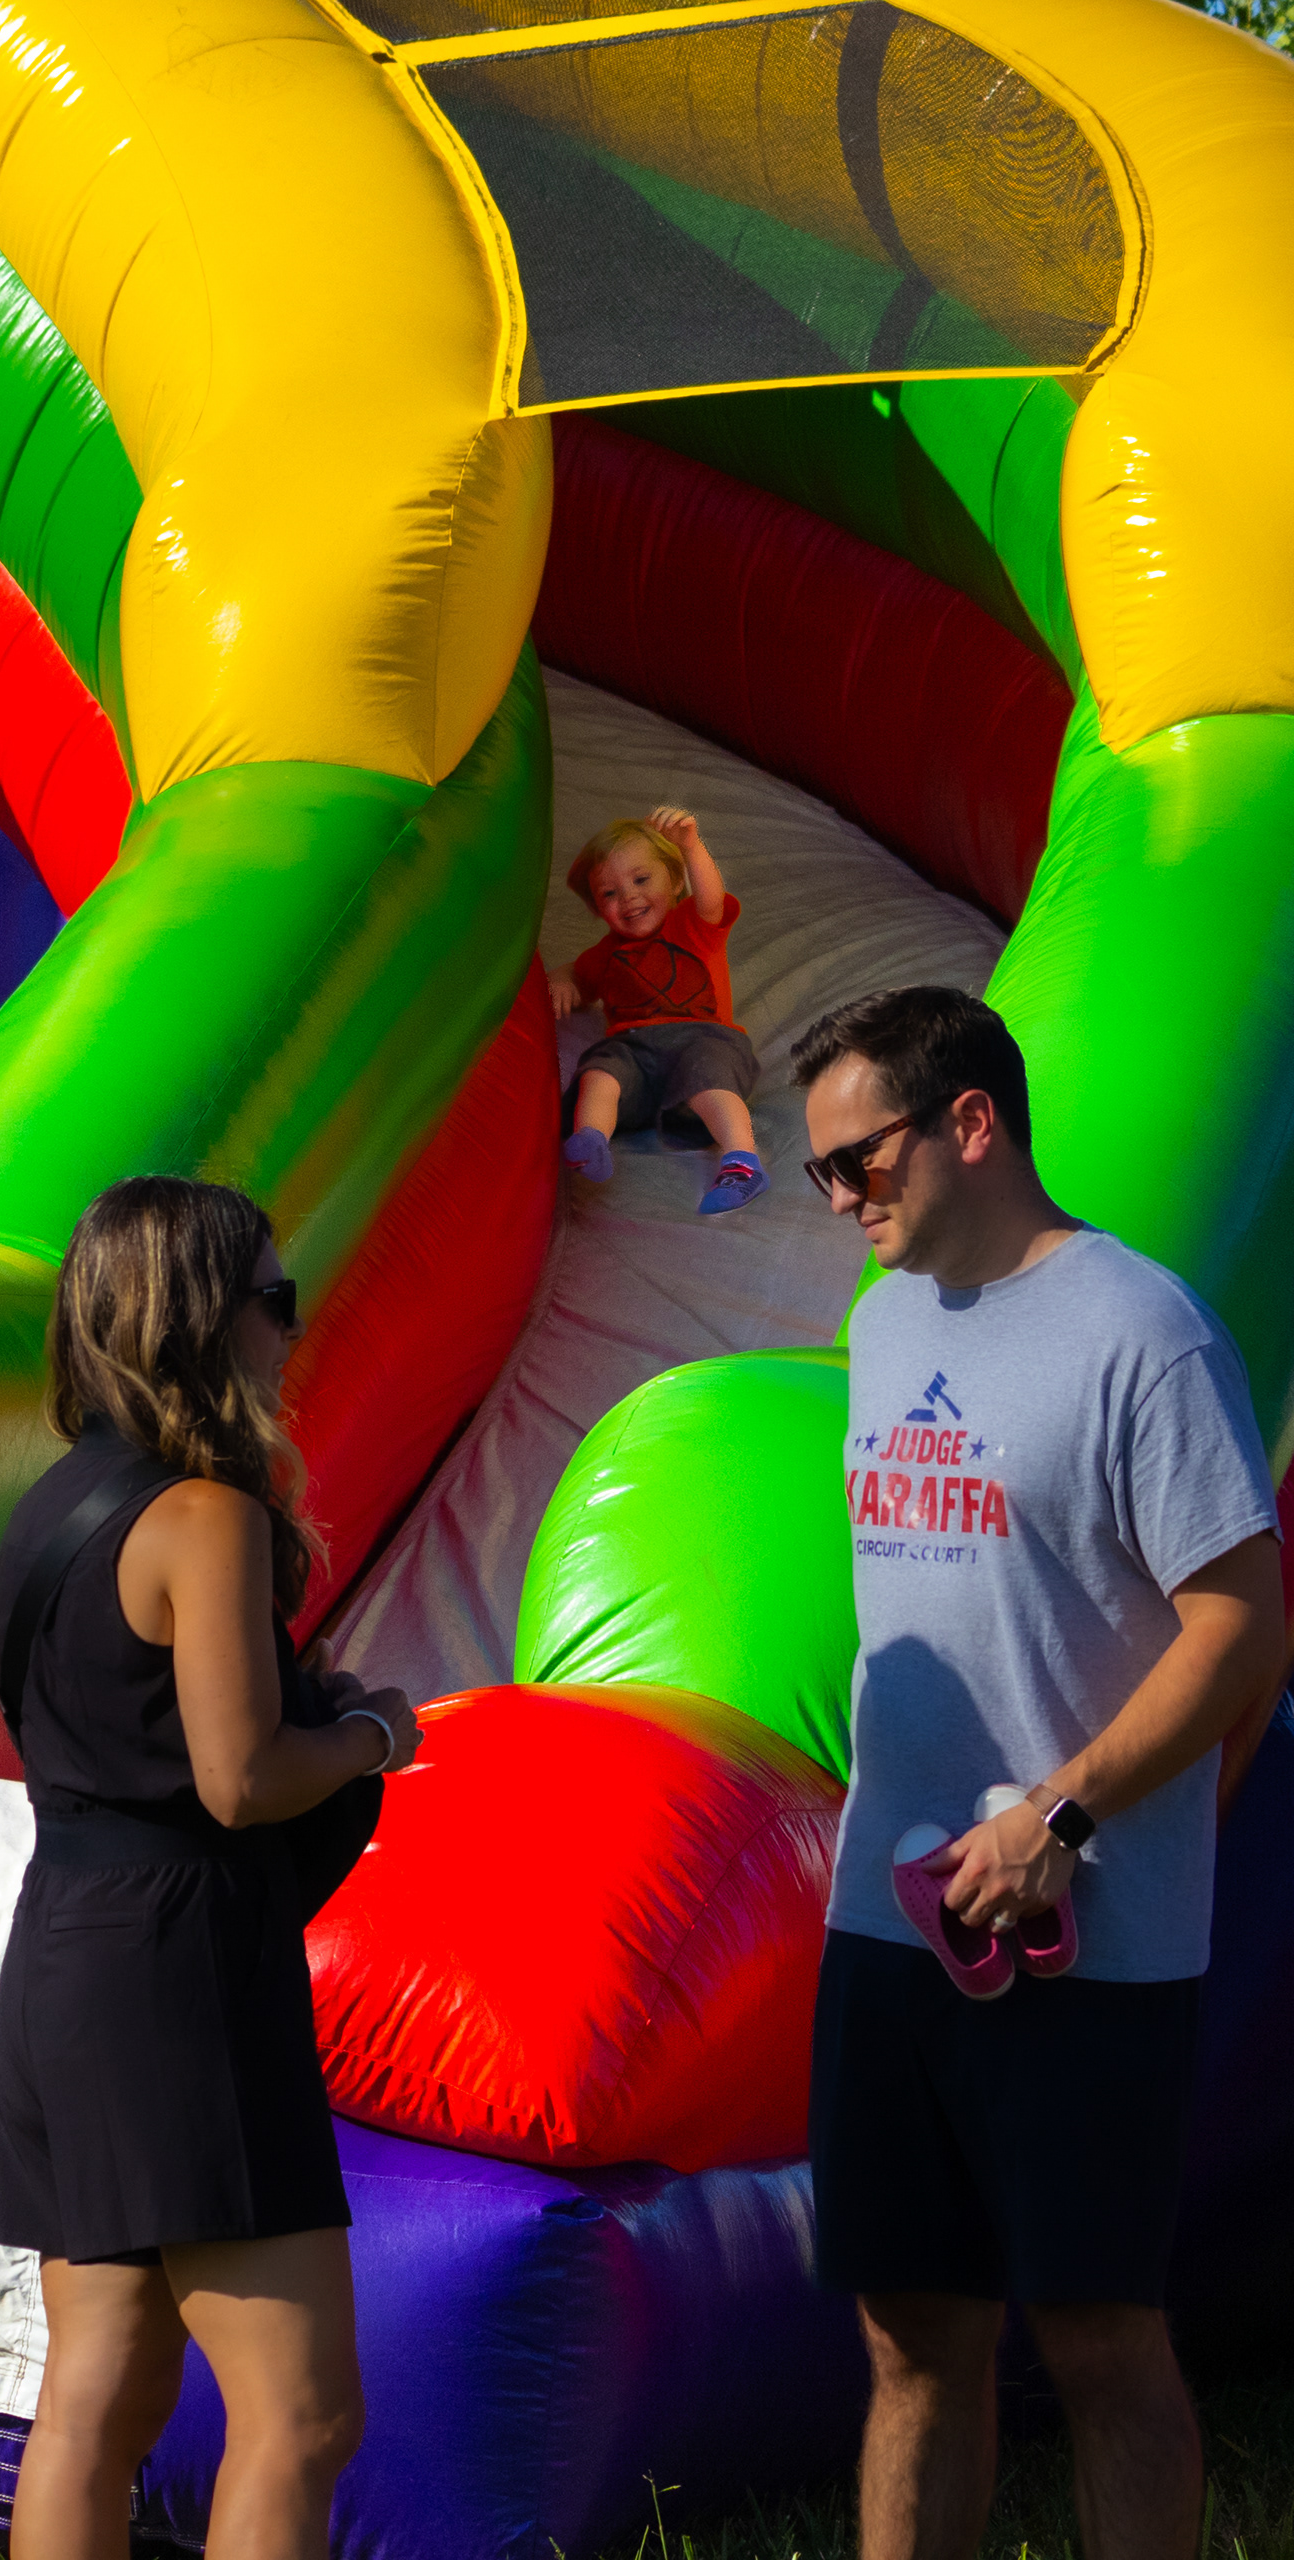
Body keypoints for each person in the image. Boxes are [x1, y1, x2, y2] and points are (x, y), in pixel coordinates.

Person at [794, 984, 1282, 2560]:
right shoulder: (878, 1327)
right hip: (895, 1921)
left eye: (859, 1162)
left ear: (970, 1124)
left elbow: (1245, 1623)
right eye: (820, 1175)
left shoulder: (1143, 1330)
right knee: (910, 2341)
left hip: (1090, 1942)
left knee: (1099, 2345)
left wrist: (1069, 1815)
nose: (843, 1200)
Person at [0, 1176, 422, 2560]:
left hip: (66, 1949)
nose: (291, 1333)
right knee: (301, 2415)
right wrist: (367, 1736)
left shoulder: (50, 1508)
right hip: (182, 1968)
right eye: (274, 1302)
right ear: (201, 1319)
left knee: (98, 2393)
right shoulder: (205, 1516)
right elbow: (240, 1782)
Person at [547, 805, 770, 1215]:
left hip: (702, 1037)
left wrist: (690, 845)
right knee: (600, 1072)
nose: (628, 897)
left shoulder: (691, 923)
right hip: (633, 1050)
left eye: (642, 879)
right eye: (608, 894)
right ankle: (591, 1139)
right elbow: (577, 974)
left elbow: (711, 897)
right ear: (598, 908)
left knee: (710, 1075)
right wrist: (562, 981)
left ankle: (742, 1162)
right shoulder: (607, 953)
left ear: (675, 880)